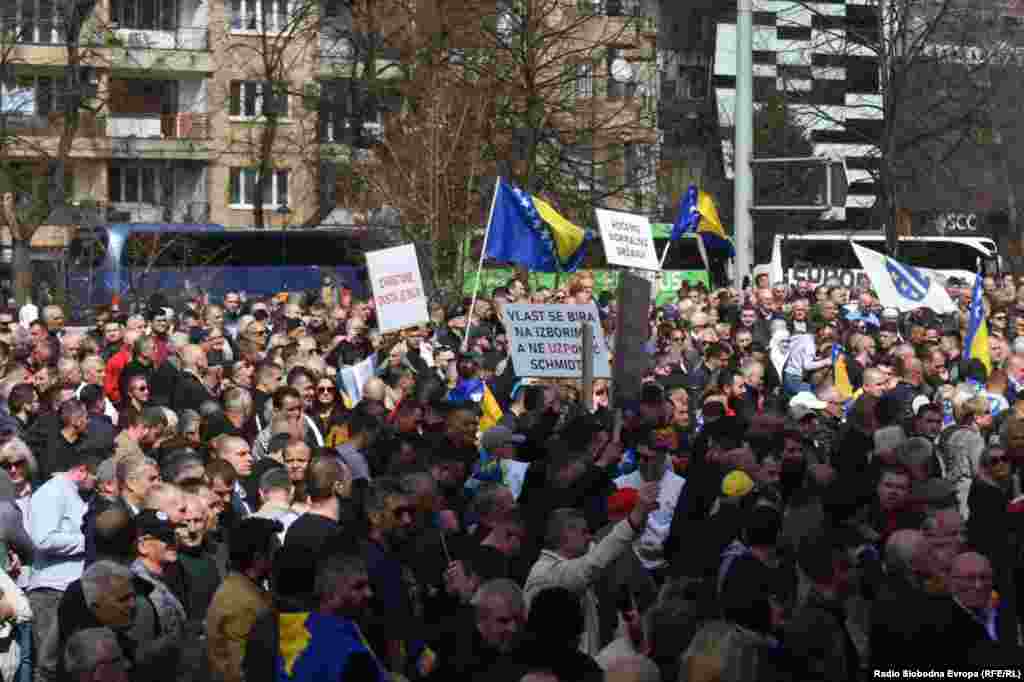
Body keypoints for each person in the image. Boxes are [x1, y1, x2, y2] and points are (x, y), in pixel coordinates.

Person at [524, 480, 659, 656]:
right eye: (584, 532)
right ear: (565, 534)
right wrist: (635, 517)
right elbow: (595, 562)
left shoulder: (568, 567)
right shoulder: (546, 573)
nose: (590, 538)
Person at [206, 517, 281, 682]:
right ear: (258, 558)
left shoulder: (245, 588)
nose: (279, 558)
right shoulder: (244, 603)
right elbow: (239, 670)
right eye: (275, 552)